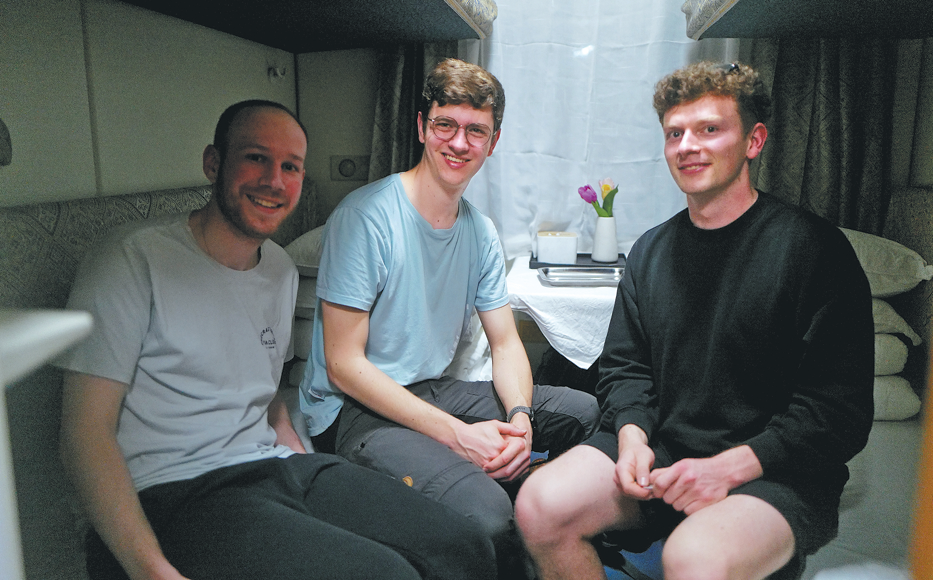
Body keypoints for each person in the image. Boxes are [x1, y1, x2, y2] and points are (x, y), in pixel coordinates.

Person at [58, 99, 497, 580]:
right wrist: (151, 570)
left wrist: (308, 471)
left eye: (290, 167)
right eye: (256, 158)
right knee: (387, 574)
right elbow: (84, 433)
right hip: (175, 490)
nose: (274, 180)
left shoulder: (279, 270)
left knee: (464, 544)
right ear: (213, 163)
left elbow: (266, 396)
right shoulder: (132, 259)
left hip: (276, 468)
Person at [514, 61, 874, 580]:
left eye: (709, 129)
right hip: (663, 449)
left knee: (693, 558)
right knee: (540, 506)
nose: (687, 146)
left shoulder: (814, 250)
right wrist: (633, 438)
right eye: (674, 133)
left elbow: (838, 411)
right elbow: (625, 368)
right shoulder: (650, 252)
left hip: (773, 470)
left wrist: (727, 469)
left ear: (753, 141)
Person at [299, 58, 601, 579]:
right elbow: (344, 364)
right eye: (446, 125)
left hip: (429, 388)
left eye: (476, 131)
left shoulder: (480, 231)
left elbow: (505, 344)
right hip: (353, 409)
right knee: (487, 515)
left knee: (585, 411)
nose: (459, 143)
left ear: (493, 141)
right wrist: (459, 436)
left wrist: (521, 419)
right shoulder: (365, 218)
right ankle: (505, 508)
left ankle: (539, 512)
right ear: (422, 127)